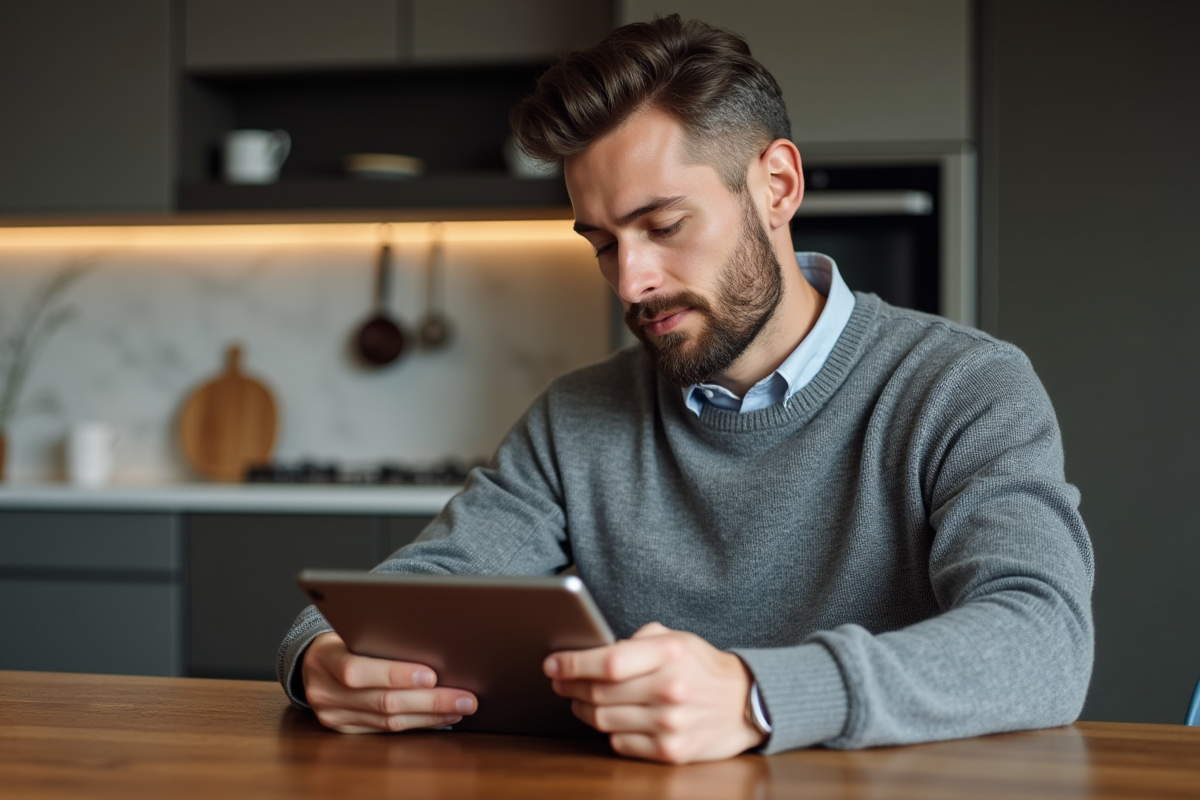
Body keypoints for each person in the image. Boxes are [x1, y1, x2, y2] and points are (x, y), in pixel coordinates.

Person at [279, 15, 1094, 764]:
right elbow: (414, 592)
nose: (631, 281)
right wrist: (319, 657)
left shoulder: (964, 388)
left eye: (664, 226)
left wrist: (759, 697)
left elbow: (1043, 642)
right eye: (601, 243)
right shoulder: (577, 417)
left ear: (776, 186)